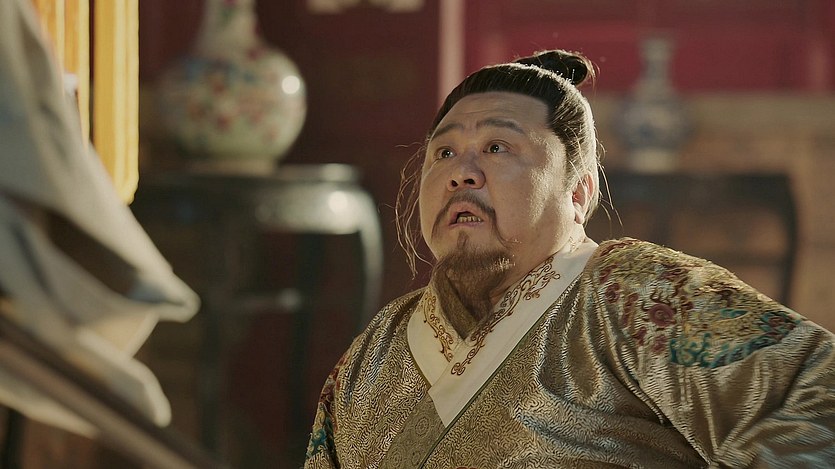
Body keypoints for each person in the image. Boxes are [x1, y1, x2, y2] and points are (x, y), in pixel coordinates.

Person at [303, 50, 835, 468]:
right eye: (444, 152)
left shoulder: (632, 293)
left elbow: (818, 392)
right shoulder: (374, 351)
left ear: (578, 193)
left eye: (497, 147)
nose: (461, 172)